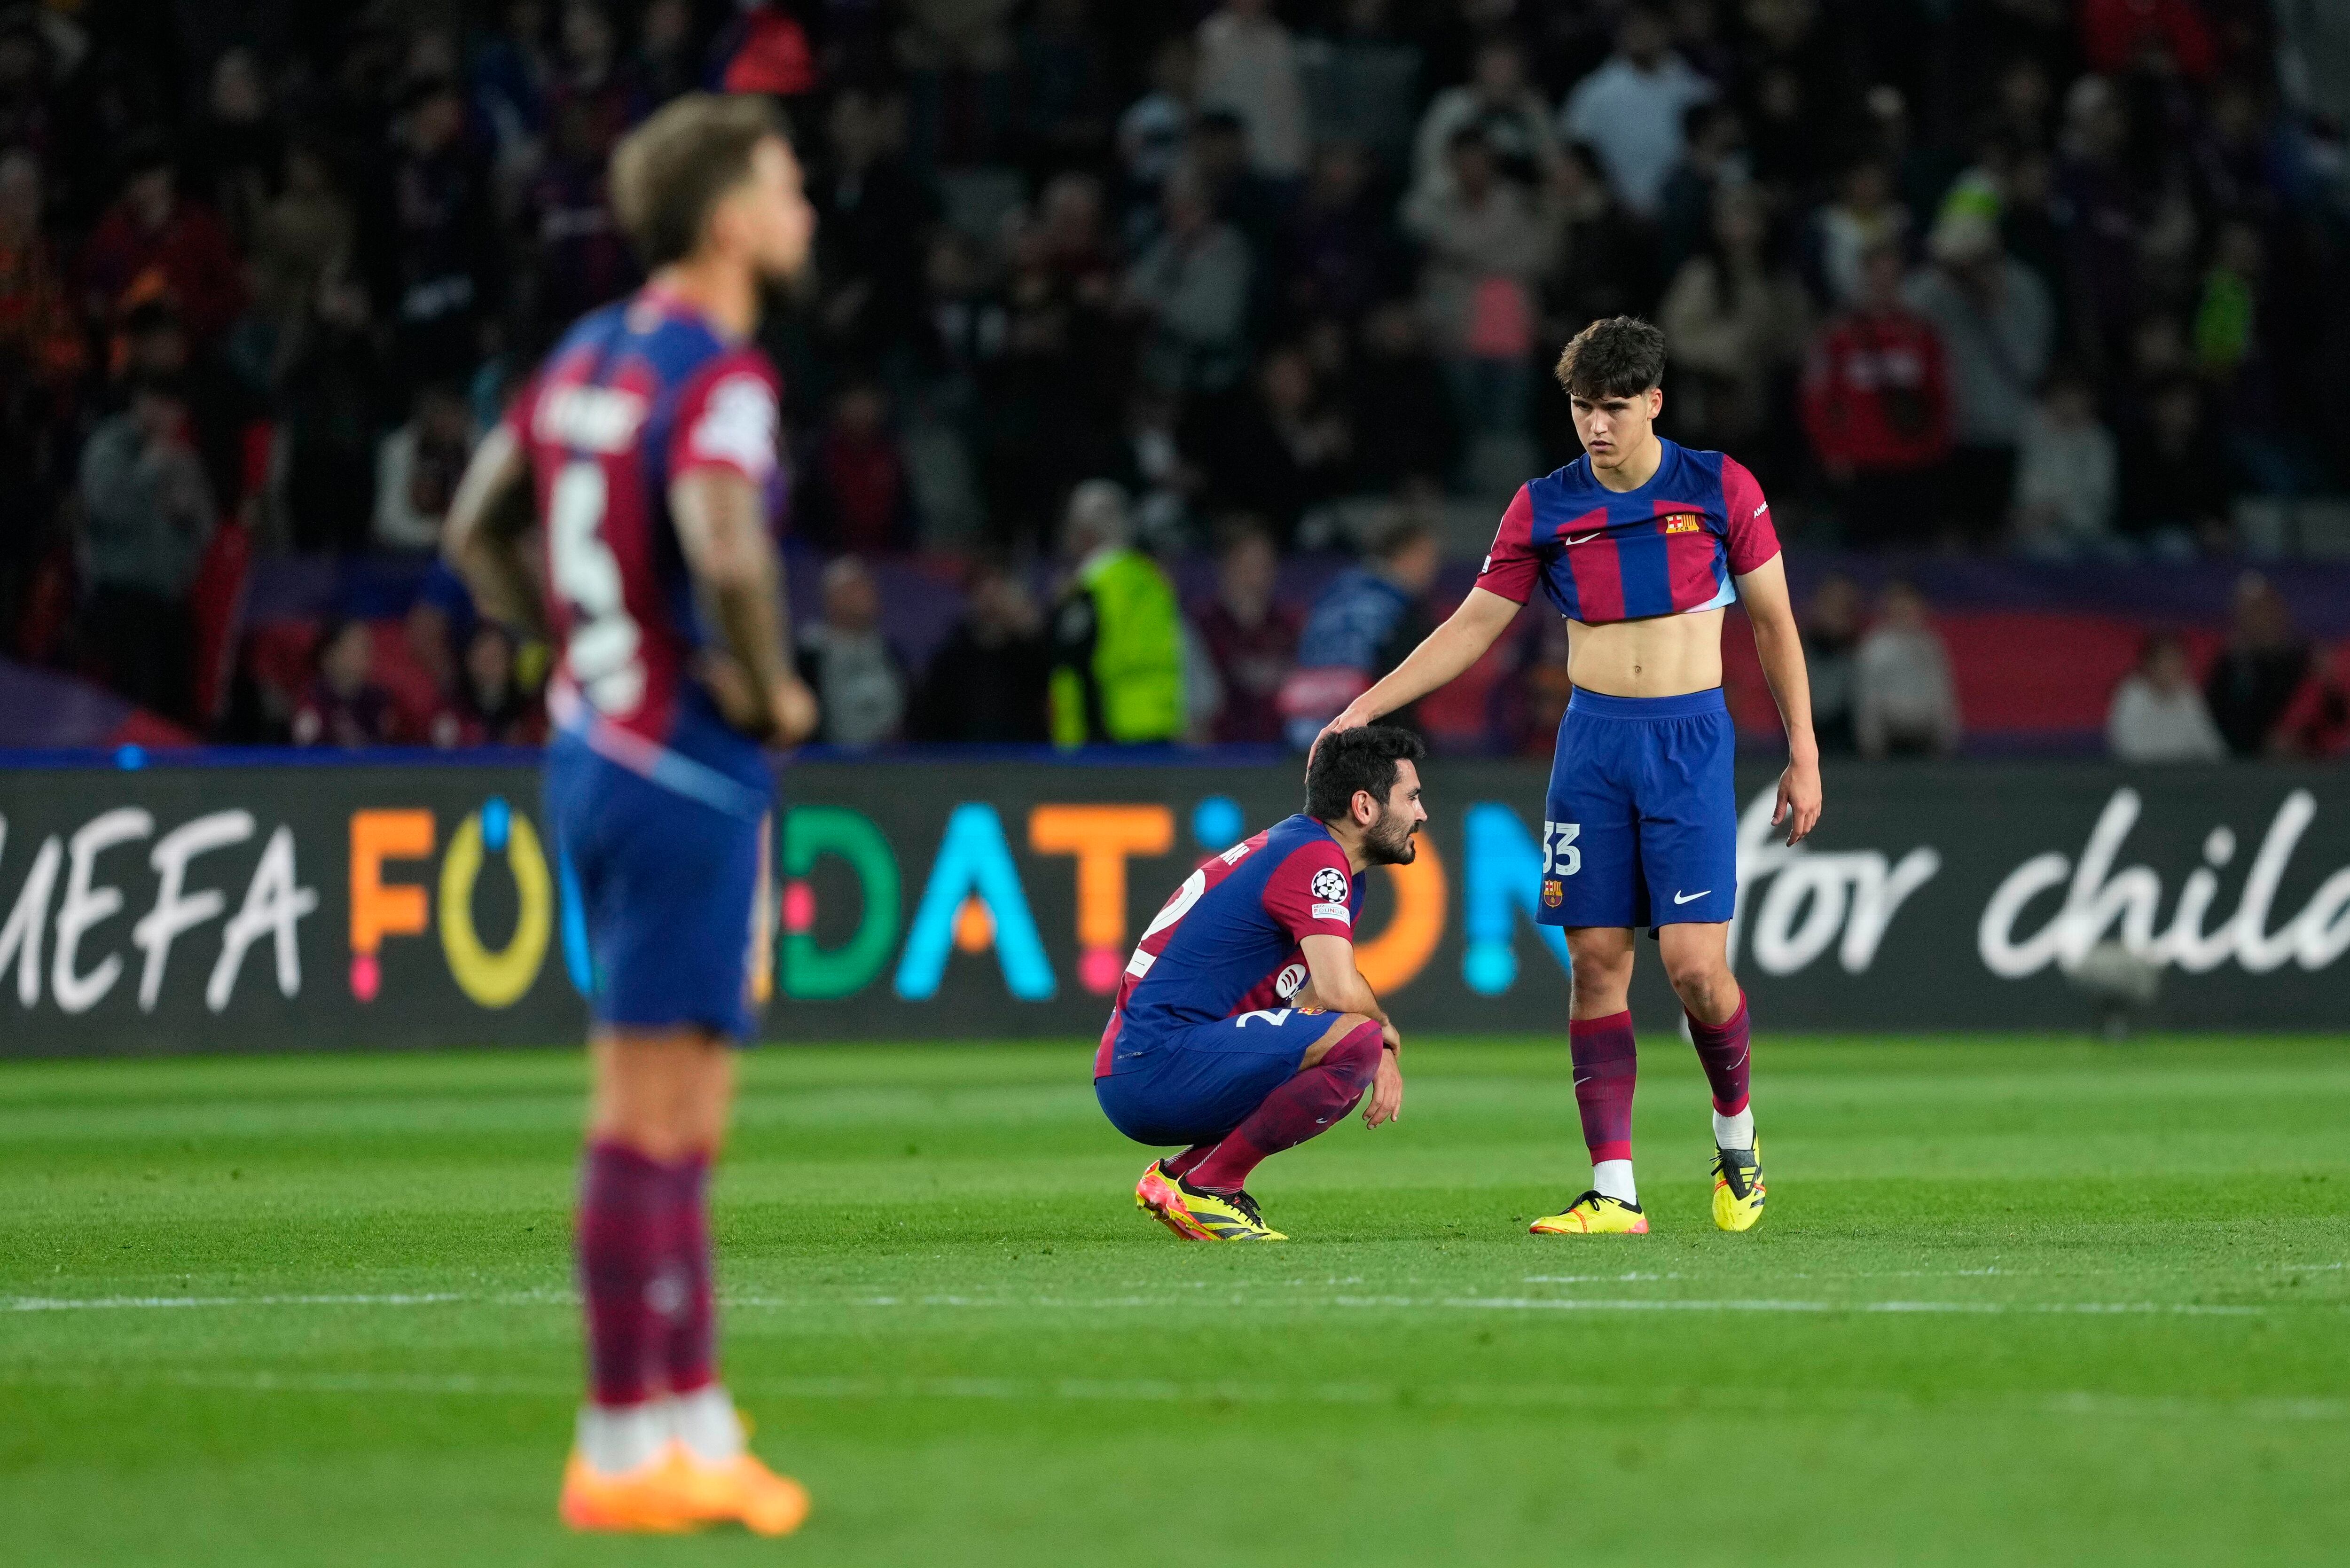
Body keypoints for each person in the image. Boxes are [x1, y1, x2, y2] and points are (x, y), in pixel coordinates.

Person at [440, 93, 819, 1537]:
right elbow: (724, 535)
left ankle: (688, 1420)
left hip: (595, 749)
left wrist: (584, 653)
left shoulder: (585, 352)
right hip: (686, 769)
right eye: (785, 186)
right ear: (726, 217)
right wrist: (768, 684)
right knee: (656, 1116)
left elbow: (477, 524)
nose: (802, 211)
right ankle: (622, 1438)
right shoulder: (717, 371)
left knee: (673, 1113)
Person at [1317, 316, 1821, 1237]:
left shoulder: (1718, 486)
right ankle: (1614, 1190)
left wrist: (1804, 752)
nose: (1596, 426)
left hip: (1688, 742)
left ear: (1654, 404)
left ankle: (1736, 1135)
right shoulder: (1544, 506)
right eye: (1583, 408)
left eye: (1614, 409)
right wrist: (1364, 709)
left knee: (1696, 972)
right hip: (1592, 747)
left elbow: (1774, 625)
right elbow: (1472, 626)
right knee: (1594, 964)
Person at [1098, 725, 1420, 1242]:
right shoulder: (1314, 859)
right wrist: (1379, 1032)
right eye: (1411, 797)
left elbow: (1316, 996)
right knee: (1355, 1041)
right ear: (1364, 807)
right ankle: (1210, 1189)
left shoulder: (1318, 857)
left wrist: (1363, 1036)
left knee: (1346, 1041)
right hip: (1156, 1063)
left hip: (1145, 1062)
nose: (1420, 814)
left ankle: (1182, 1177)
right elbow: (1341, 995)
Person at [1282, 513, 1440, 749]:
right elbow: (1407, 684)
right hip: (1368, 738)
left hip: (1302, 736)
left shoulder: (1331, 593)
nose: (1433, 568)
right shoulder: (1405, 609)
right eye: (1428, 556)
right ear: (1409, 554)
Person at [1048, 479, 1186, 748]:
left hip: (1105, 735)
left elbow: (1072, 660)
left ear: (1085, 533)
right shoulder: (1153, 580)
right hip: (1157, 726)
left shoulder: (1091, 589)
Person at [909, 560, 1051, 743]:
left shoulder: (1029, 653)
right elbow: (930, 717)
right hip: (963, 758)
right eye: (982, 591)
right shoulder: (951, 656)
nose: (990, 600)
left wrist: (1028, 632)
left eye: (998, 591)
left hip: (1022, 757)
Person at [796, 555, 908, 747]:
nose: (865, 596)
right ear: (832, 599)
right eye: (854, 589)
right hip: (826, 766)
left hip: (888, 765)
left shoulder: (891, 653)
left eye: (867, 587)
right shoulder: (808, 658)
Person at [1855, 580, 1961, 758]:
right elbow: (1867, 698)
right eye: (1900, 609)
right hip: (1889, 739)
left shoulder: (1930, 645)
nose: (1906, 615)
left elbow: (1942, 693)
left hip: (1927, 739)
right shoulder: (1875, 647)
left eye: (1911, 609)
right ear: (1889, 610)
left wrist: (1947, 738)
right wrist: (1871, 743)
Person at [2106, 633, 2225, 763]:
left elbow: (2211, 748)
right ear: (2150, 664)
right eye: (2169, 660)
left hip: (2183, 777)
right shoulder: (2131, 695)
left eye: (2180, 660)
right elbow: (2131, 751)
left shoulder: (2188, 694)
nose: (2176, 667)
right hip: (2142, 778)